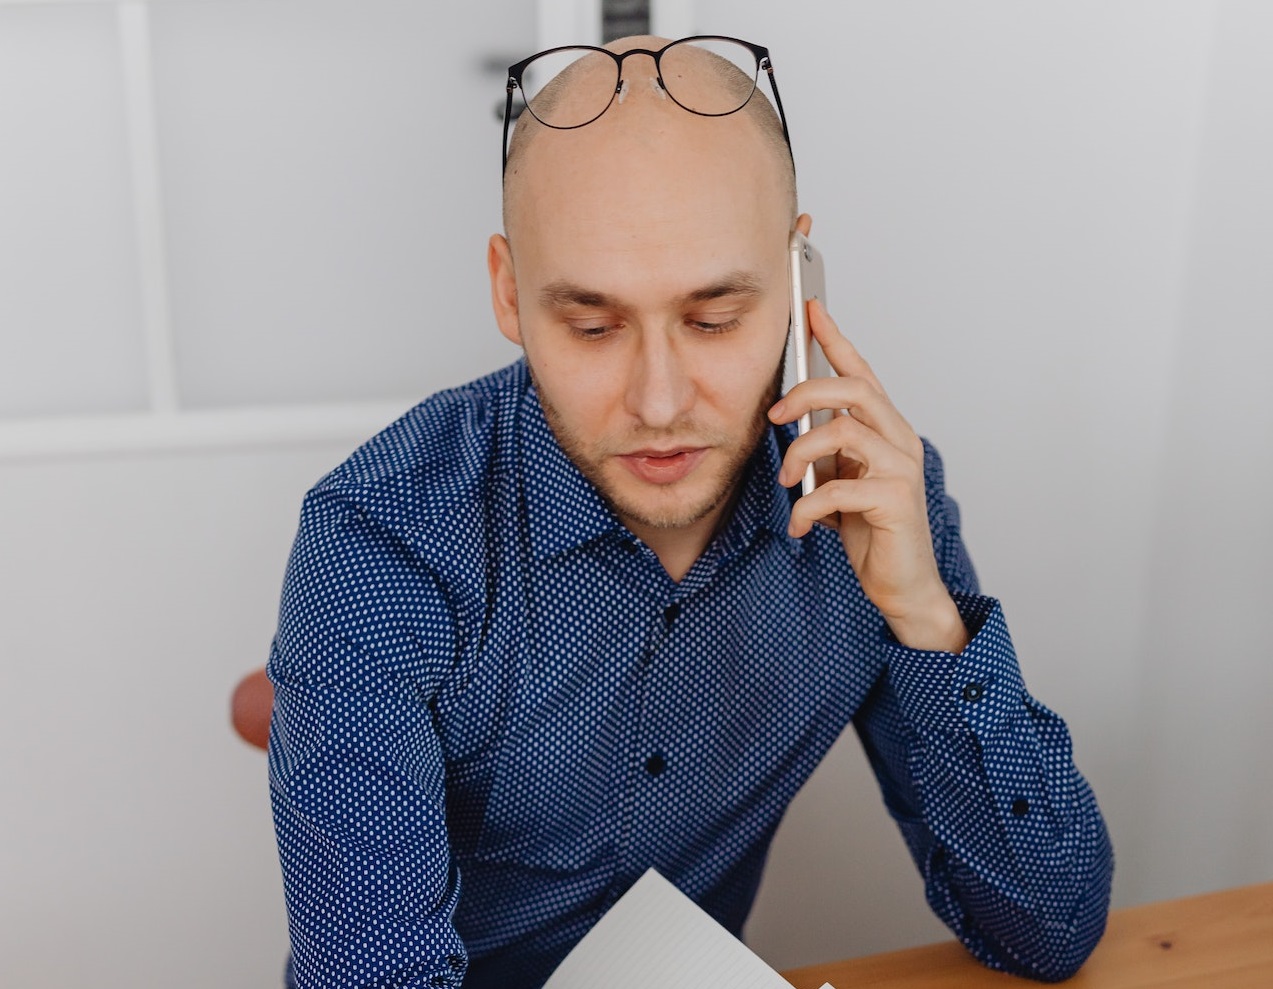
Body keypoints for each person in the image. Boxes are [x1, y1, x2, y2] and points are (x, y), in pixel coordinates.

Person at [267, 35, 1113, 989]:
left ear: (797, 284)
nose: (660, 401)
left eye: (714, 319)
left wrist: (927, 619)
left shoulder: (865, 503)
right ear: (509, 292)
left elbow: (1050, 930)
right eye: (592, 326)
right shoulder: (381, 544)